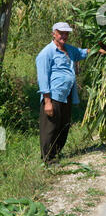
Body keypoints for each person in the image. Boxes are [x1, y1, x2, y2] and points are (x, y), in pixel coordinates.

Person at [36, 22, 90, 164]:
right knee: (50, 127)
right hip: (53, 96)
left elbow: (83, 53)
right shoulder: (46, 53)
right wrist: (47, 102)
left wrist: (104, 49)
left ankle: (56, 153)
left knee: (64, 125)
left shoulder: (69, 50)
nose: (64, 36)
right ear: (54, 33)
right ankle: (48, 158)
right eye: (61, 33)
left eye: (66, 33)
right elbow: (43, 78)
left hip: (67, 95)